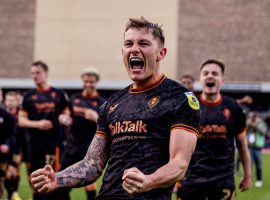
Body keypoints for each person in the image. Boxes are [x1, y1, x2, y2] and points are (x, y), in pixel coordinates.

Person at [30, 17, 200, 200]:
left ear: (161, 53)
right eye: (129, 44)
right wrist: (57, 179)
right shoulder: (112, 104)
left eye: (143, 43)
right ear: (123, 51)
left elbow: (179, 165)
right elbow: (93, 163)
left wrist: (148, 181)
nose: (134, 49)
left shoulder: (180, 98)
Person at [178, 59, 252, 200]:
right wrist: (175, 177)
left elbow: (242, 145)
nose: (210, 76)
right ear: (200, 80)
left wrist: (247, 176)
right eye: (206, 73)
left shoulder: (234, 108)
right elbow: (178, 146)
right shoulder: (189, 108)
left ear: (222, 80)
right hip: (192, 179)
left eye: (214, 73)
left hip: (223, 179)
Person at [18, 61, 71, 200]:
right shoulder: (28, 97)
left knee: (53, 181)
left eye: (38, 72)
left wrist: (64, 118)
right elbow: (21, 120)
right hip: (34, 146)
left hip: (54, 145)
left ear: (46, 73)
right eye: (32, 73)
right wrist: (38, 124)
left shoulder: (59, 94)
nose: (35, 76)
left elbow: (66, 114)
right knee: (36, 183)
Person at [60, 67, 106, 200]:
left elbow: (108, 126)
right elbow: (65, 115)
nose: (88, 84)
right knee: (63, 179)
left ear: (96, 82)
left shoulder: (102, 103)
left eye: (91, 82)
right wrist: (64, 118)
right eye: (86, 81)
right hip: (71, 145)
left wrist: (95, 117)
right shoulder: (74, 99)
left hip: (90, 146)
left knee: (89, 183)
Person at [4, 91, 23, 200]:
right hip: (5, 148)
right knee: (5, 172)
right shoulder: (2, 114)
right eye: (8, 100)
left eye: (12, 100)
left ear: (17, 102)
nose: (10, 103)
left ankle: (14, 192)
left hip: (18, 147)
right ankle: (10, 193)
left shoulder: (22, 114)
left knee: (15, 171)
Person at [246, 111, 267, 188]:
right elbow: (244, 133)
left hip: (258, 147)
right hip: (249, 147)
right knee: (249, 164)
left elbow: (264, 132)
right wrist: (248, 126)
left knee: (258, 165)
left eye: (254, 117)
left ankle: (259, 180)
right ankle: (249, 180)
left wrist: (256, 126)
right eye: (251, 117)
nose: (253, 119)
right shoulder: (248, 124)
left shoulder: (261, 124)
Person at [0, 107, 17, 199]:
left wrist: (7, 145)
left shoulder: (7, 116)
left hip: (2, 155)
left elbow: (13, 134)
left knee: (1, 179)